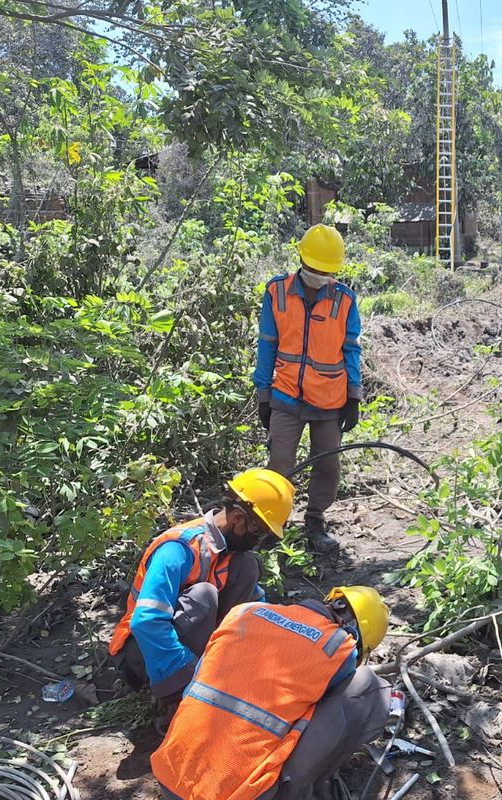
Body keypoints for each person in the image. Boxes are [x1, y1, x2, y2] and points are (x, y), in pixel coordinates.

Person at [151, 585, 392, 800]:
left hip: (171, 774)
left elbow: (195, 683)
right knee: (369, 686)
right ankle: (307, 791)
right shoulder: (338, 647)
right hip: (236, 793)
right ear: (357, 636)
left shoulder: (245, 611)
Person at [108, 468, 294, 701]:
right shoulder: (179, 549)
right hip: (141, 652)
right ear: (237, 518)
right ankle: (175, 694)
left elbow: (255, 608)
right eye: (259, 532)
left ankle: (222, 665)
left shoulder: (230, 551)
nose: (258, 541)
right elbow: (147, 622)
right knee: (204, 596)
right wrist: (192, 676)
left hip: (187, 641)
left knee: (248, 567)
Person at [255, 224, 363, 553]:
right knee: (280, 463)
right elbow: (267, 346)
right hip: (286, 396)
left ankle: (315, 520)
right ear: (301, 258)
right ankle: (274, 523)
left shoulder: (344, 300)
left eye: (326, 270)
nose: (320, 274)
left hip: (330, 400)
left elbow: (351, 349)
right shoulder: (276, 293)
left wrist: (353, 395)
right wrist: (263, 395)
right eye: (315, 267)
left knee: (328, 465)